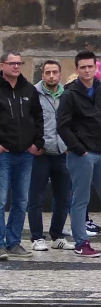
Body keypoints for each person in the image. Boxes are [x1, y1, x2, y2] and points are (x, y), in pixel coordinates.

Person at [0, 51, 44, 260]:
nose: (16, 66)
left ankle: (14, 242)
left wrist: (37, 143)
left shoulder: (29, 89)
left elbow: (38, 117)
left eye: (19, 63)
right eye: (12, 63)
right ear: (2, 65)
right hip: (2, 155)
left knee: (21, 201)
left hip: (25, 154)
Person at [58, 50, 101, 258]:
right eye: (82, 67)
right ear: (77, 69)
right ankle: (81, 242)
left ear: (95, 67)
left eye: (90, 66)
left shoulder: (100, 89)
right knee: (81, 198)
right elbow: (62, 126)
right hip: (82, 154)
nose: (87, 70)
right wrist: (79, 149)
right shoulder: (69, 94)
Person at [29, 60, 73, 251]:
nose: (51, 76)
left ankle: (57, 236)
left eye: (55, 72)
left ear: (60, 74)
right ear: (42, 75)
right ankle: (37, 237)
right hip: (41, 153)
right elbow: (27, 121)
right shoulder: (33, 94)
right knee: (36, 197)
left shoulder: (68, 95)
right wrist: (31, 144)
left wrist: (71, 144)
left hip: (62, 152)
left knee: (63, 198)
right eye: (48, 72)